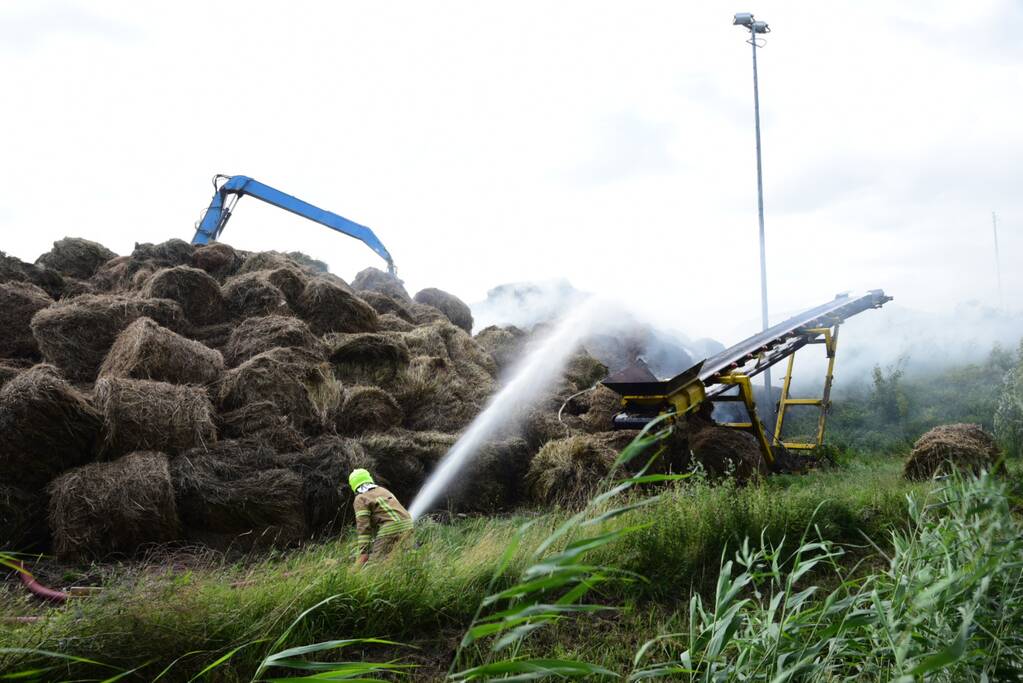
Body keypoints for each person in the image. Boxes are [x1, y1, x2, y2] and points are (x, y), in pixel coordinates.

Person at [348, 468, 413, 566]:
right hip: (408, 524)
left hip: (391, 527)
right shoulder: (382, 490)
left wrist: (363, 552)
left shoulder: (360, 498)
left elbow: (364, 528)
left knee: (375, 563)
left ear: (353, 484)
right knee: (397, 558)